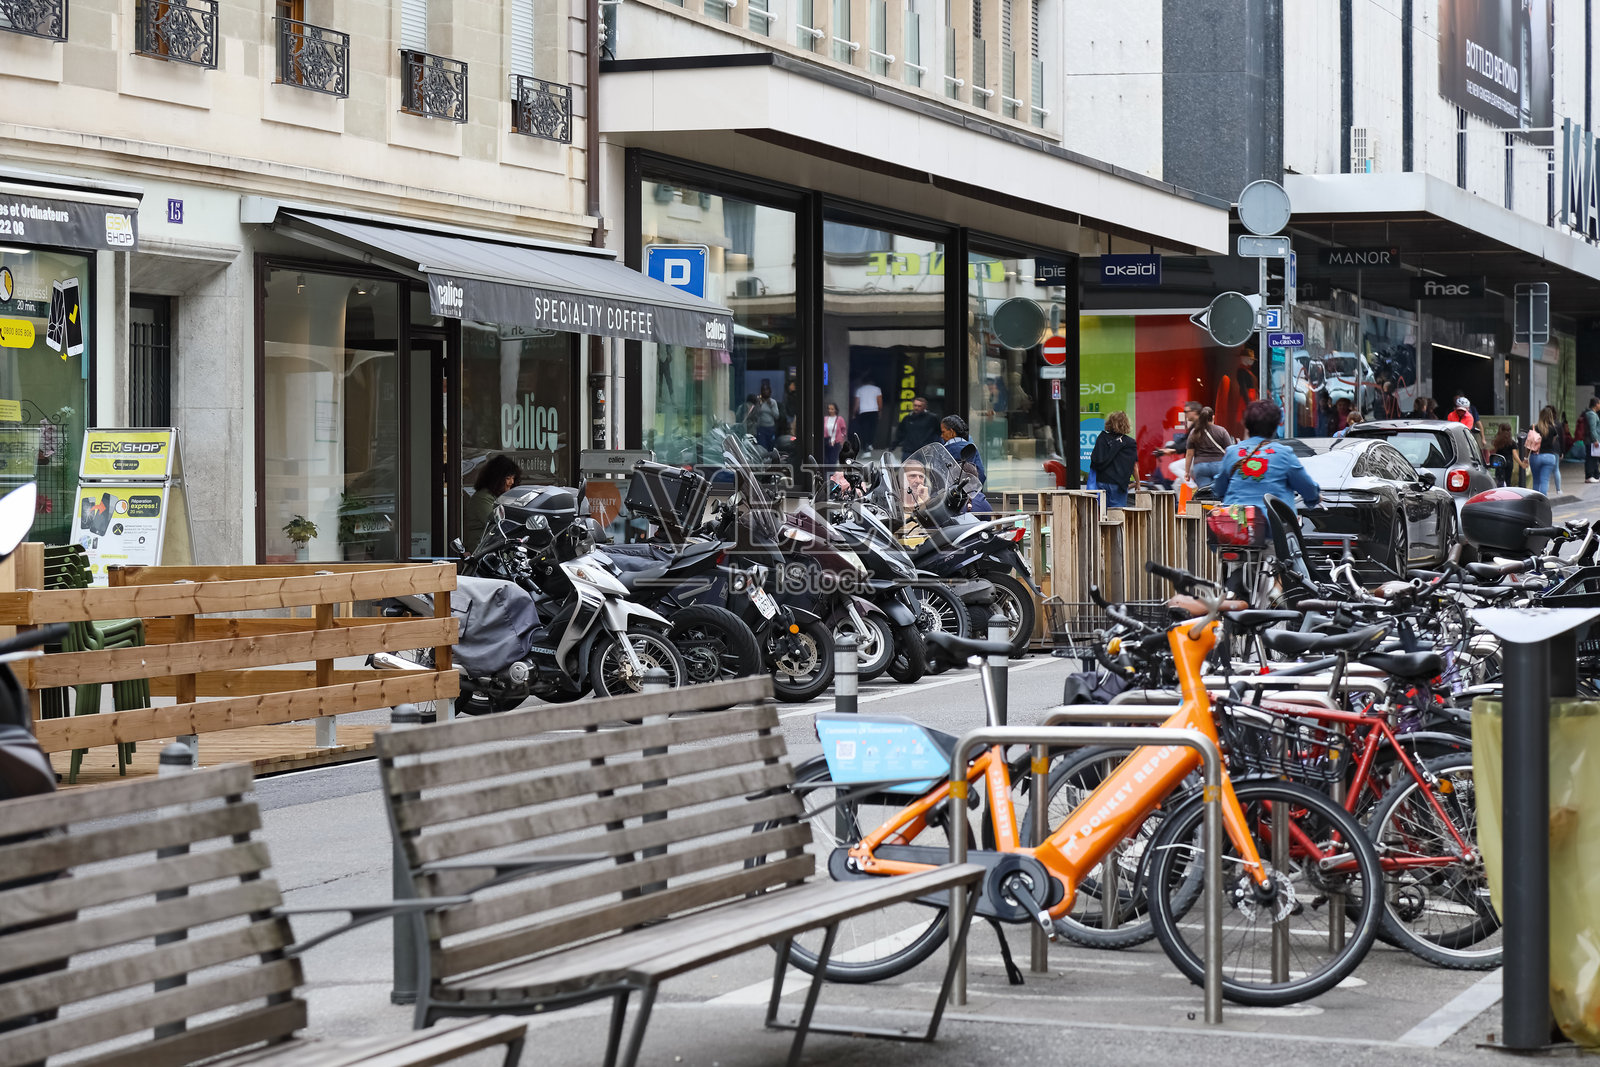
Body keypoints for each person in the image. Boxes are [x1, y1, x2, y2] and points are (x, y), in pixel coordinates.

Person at [1212, 400, 1321, 513]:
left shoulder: (1232, 452)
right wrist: (1315, 498)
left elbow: (1218, 489)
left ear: (1246, 424)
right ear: (1275, 426)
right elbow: (1308, 488)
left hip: (1237, 524)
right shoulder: (1284, 454)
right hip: (1274, 524)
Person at [463, 454, 520, 551]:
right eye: (508, 478)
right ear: (496, 478)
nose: (511, 482)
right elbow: (496, 525)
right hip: (481, 551)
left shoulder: (499, 497)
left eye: (513, 478)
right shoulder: (482, 498)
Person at [940, 415, 991, 512]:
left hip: (949, 502)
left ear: (951, 432)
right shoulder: (971, 447)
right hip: (973, 499)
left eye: (943, 432)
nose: (941, 436)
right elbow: (981, 474)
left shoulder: (944, 451)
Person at [1089, 411, 1138, 508]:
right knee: (1117, 513)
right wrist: (1138, 483)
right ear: (1126, 424)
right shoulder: (1130, 443)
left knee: (1101, 512)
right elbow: (1134, 467)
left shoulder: (1102, 438)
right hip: (1118, 484)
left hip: (1101, 482)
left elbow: (1095, 459)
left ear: (1109, 423)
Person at [1184, 405, 1233, 488]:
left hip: (1200, 466)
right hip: (1219, 465)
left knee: (1205, 494)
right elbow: (1229, 451)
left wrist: (1187, 472)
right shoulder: (1221, 431)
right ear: (1213, 417)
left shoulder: (1194, 432)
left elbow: (1189, 454)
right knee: (1219, 493)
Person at [746, 380, 781, 450]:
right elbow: (755, 414)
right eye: (764, 390)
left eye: (767, 390)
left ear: (770, 392)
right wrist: (759, 405)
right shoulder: (758, 401)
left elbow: (776, 416)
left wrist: (770, 405)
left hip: (770, 427)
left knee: (771, 446)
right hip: (761, 428)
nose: (765, 392)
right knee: (762, 446)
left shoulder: (773, 402)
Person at [851, 375, 883, 452]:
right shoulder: (877, 389)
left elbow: (857, 403)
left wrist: (854, 413)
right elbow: (880, 401)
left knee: (864, 429)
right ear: (872, 382)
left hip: (863, 411)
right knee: (872, 428)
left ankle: (864, 445)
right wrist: (880, 411)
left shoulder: (860, 389)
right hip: (874, 411)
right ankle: (870, 444)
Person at [1584, 396, 1600, 483]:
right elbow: (1592, 429)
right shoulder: (1591, 415)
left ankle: (1596, 475)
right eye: (1599, 403)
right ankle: (1589, 475)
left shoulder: (1593, 414)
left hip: (1592, 441)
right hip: (1591, 441)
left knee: (1594, 458)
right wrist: (1595, 440)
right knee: (1590, 458)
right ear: (1596, 404)